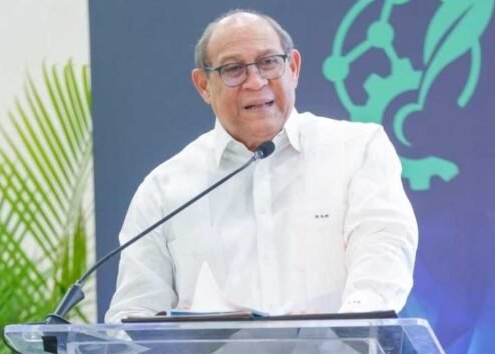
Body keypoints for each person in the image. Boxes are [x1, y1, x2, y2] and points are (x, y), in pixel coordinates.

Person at [105, 9, 417, 324]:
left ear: (293, 68)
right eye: (233, 69)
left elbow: (384, 259)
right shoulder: (163, 190)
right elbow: (133, 313)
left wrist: (340, 333)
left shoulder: (358, 150)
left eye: (269, 62)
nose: (255, 82)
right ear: (203, 85)